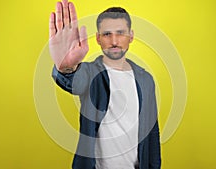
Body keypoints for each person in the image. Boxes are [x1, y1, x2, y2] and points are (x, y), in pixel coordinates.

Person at [49, 0, 161, 168]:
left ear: (131, 36)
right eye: (107, 34)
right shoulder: (89, 73)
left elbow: (152, 132)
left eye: (120, 33)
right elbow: (74, 82)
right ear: (98, 38)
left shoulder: (146, 80)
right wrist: (67, 67)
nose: (114, 41)